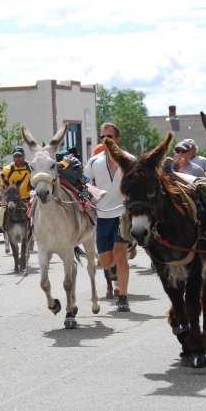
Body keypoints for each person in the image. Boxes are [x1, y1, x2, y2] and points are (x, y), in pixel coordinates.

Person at [84, 122, 132, 312]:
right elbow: (84, 182)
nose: (105, 140)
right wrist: (92, 194)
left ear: (117, 139)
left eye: (109, 136)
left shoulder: (129, 160)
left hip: (123, 213)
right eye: (103, 137)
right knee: (105, 262)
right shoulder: (94, 162)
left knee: (120, 254)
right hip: (102, 214)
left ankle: (123, 297)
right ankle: (114, 270)